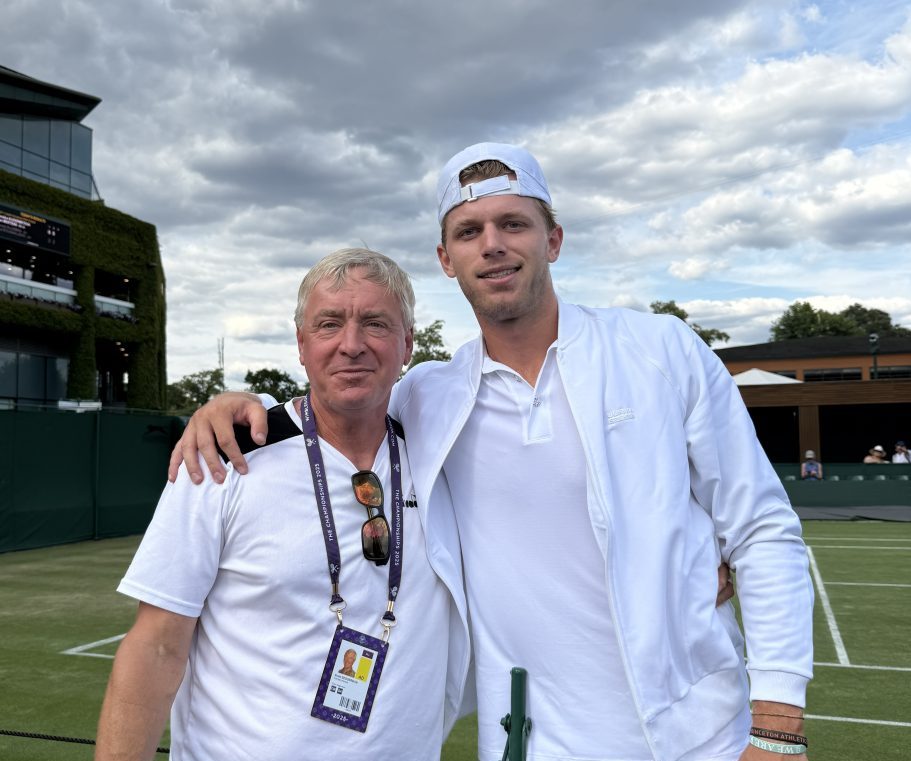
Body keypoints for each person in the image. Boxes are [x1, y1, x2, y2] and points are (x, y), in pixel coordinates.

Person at [171, 144, 813, 761]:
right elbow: (337, 400)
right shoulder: (429, 395)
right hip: (528, 741)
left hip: (701, 735)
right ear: (446, 259)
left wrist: (778, 728)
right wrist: (238, 406)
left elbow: (761, 527)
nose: (492, 244)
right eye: (469, 231)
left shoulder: (661, 350)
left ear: (552, 240)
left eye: (513, 224)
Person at [95, 249, 469, 761]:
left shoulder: (441, 456)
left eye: (376, 324)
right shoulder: (224, 457)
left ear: (408, 343)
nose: (351, 344)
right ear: (301, 344)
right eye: (328, 324)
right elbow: (156, 646)